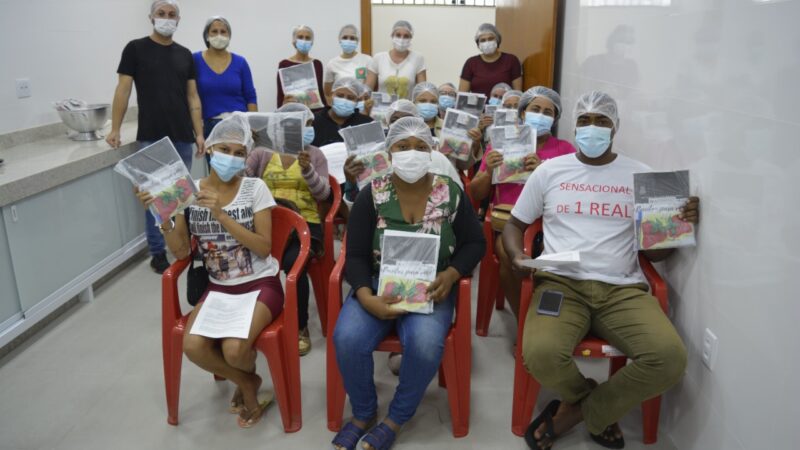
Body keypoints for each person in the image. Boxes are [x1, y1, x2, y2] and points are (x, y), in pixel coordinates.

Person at [502, 91, 698, 449]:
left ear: (615, 128)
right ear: (574, 126)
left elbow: (656, 257)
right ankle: (590, 403)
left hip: (622, 290)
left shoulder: (641, 175)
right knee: (540, 354)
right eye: (585, 121)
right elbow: (515, 224)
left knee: (669, 358)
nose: (592, 129)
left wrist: (677, 224)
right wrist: (517, 255)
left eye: (602, 121)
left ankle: (580, 411)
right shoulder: (550, 171)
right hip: (561, 284)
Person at [331, 117, 485, 450]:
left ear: (432, 151)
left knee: (426, 343)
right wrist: (365, 296)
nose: (411, 153)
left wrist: (452, 273)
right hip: (376, 283)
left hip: (432, 285)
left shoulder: (450, 192)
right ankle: (363, 413)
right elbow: (354, 254)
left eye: (420, 146)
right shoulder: (373, 192)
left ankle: (396, 417)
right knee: (346, 337)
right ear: (389, 152)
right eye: (403, 146)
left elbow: (475, 243)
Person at [135, 113, 282, 429]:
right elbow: (181, 252)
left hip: (260, 283)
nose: (231, 158)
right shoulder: (189, 191)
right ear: (209, 150)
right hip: (218, 286)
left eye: (239, 152)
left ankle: (245, 381)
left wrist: (221, 214)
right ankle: (248, 382)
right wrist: (162, 213)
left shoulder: (255, 188)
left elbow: (263, 248)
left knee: (234, 349)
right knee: (193, 346)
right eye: (224, 149)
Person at [108, 0, 204, 274]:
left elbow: (192, 96)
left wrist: (199, 133)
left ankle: (183, 245)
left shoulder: (185, 54)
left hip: (183, 136)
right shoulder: (135, 48)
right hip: (151, 137)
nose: (166, 18)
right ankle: (157, 251)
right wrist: (114, 128)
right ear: (151, 17)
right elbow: (123, 90)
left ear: (179, 19)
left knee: (180, 197)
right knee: (156, 199)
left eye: (171, 14)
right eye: (161, 14)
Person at [470, 86, 575, 319]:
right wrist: (489, 171)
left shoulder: (565, 151)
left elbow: (573, 195)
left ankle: (552, 317)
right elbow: (476, 192)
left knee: (560, 261)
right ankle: (525, 321)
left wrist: (543, 171)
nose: (541, 115)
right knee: (509, 254)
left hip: (550, 226)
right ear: (523, 112)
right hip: (508, 223)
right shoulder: (501, 142)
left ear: (556, 118)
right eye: (535, 109)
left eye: (548, 112)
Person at [245, 104, 329, 357]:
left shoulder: (315, 155)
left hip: (305, 225)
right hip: (266, 222)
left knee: (294, 265)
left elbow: (324, 193)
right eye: (297, 124)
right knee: (246, 260)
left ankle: (300, 325)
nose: (306, 129)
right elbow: (242, 183)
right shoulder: (261, 154)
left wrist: (307, 170)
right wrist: (242, 153)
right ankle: (248, 323)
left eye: (309, 124)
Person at [342, 100, 464, 207]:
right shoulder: (375, 160)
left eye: (408, 120)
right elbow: (357, 209)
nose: (401, 124)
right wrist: (351, 182)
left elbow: (458, 202)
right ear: (388, 125)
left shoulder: (437, 158)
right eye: (395, 120)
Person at [194, 16, 257, 139]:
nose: (219, 35)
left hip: (239, 124)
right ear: (207, 35)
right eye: (214, 31)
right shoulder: (195, 60)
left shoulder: (240, 62)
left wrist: (252, 124)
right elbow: (191, 96)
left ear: (229, 36)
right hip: (210, 126)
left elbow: (250, 96)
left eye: (223, 32)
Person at [366, 20, 426, 100]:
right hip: (382, 109)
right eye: (398, 35)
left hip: (406, 109)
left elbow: (422, 91)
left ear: (411, 38)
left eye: (406, 36)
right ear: (392, 36)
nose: (401, 39)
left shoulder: (418, 58)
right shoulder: (379, 58)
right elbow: (368, 89)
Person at [459, 23, 522, 97]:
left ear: (497, 40)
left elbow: (518, 94)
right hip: (477, 108)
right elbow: (462, 95)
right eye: (483, 40)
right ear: (478, 44)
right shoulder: (471, 63)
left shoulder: (511, 60)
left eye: (490, 39)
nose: (487, 43)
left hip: (504, 108)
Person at [310, 77, 373, 148]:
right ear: (331, 95)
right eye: (340, 96)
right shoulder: (313, 121)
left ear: (357, 101)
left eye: (350, 98)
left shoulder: (366, 123)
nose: (344, 100)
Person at [277, 25, 328, 111]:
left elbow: (320, 93)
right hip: (293, 112)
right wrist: (281, 113)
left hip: (315, 113)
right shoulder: (284, 64)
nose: (304, 41)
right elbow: (281, 95)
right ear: (294, 41)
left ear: (312, 42)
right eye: (300, 37)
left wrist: (325, 113)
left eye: (307, 38)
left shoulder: (317, 64)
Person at [324, 24, 373, 104]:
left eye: (352, 38)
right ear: (339, 40)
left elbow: (369, 90)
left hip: (361, 107)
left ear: (357, 41)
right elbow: (328, 93)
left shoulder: (367, 60)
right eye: (345, 37)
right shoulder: (332, 64)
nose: (348, 40)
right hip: (340, 108)